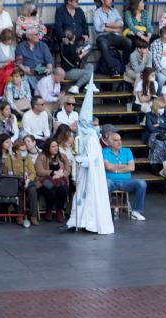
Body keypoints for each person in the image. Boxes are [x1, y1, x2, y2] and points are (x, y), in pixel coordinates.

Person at [66, 87, 114, 234]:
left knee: (89, 198)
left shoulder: (92, 139)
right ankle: (76, 221)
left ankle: (89, 223)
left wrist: (79, 158)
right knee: (79, 197)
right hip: (83, 174)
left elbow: (93, 160)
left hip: (90, 175)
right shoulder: (82, 138)